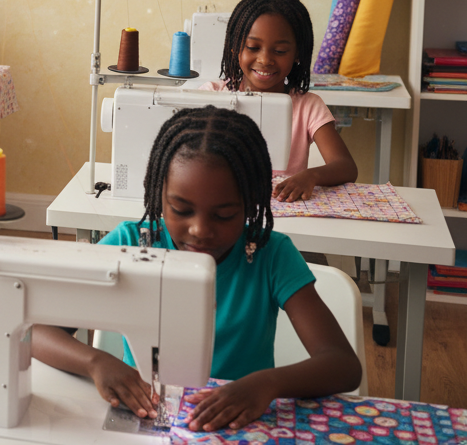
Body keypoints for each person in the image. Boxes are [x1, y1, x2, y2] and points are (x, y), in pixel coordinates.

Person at [32, 107, 362, 433]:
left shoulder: (270, 255)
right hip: (148, 414)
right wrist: (97, 362)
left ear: (251, 202)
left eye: (224, 215)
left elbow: (342, 364)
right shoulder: (131, 244)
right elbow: (35, 330)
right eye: (181, 210)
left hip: (242, 424)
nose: (200, 230)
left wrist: (267, 384)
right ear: (158, 194)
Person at [204, 0, 357, 201]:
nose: (265, 59)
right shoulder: (212, 96)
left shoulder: (308, 106)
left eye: (280, 51)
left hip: (285, 209)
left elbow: (346, 166)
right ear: (234, 47)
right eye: (252, 47)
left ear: (297, 55)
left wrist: (310, 175)